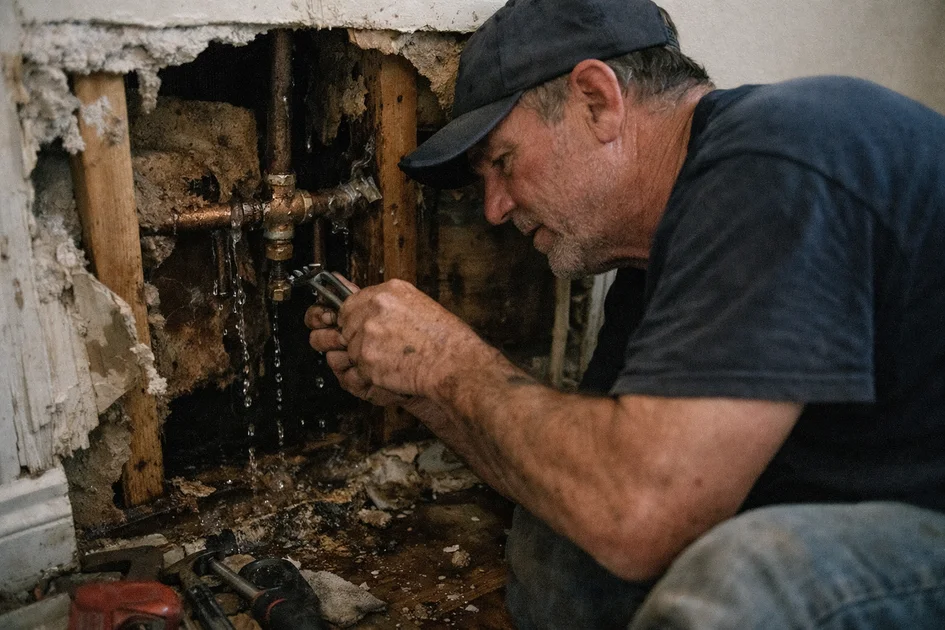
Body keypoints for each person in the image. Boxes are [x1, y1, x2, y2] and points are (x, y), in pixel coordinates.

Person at [306, 0, 945, 626]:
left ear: (597, 101)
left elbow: (637, 514)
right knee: (562, 545)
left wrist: (445, 361)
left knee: (749, 578)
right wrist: (418, 387)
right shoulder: (655, 255)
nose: (495, 209)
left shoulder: (776, 158)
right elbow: (586, 484)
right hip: (847, 510)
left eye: (502, 162)